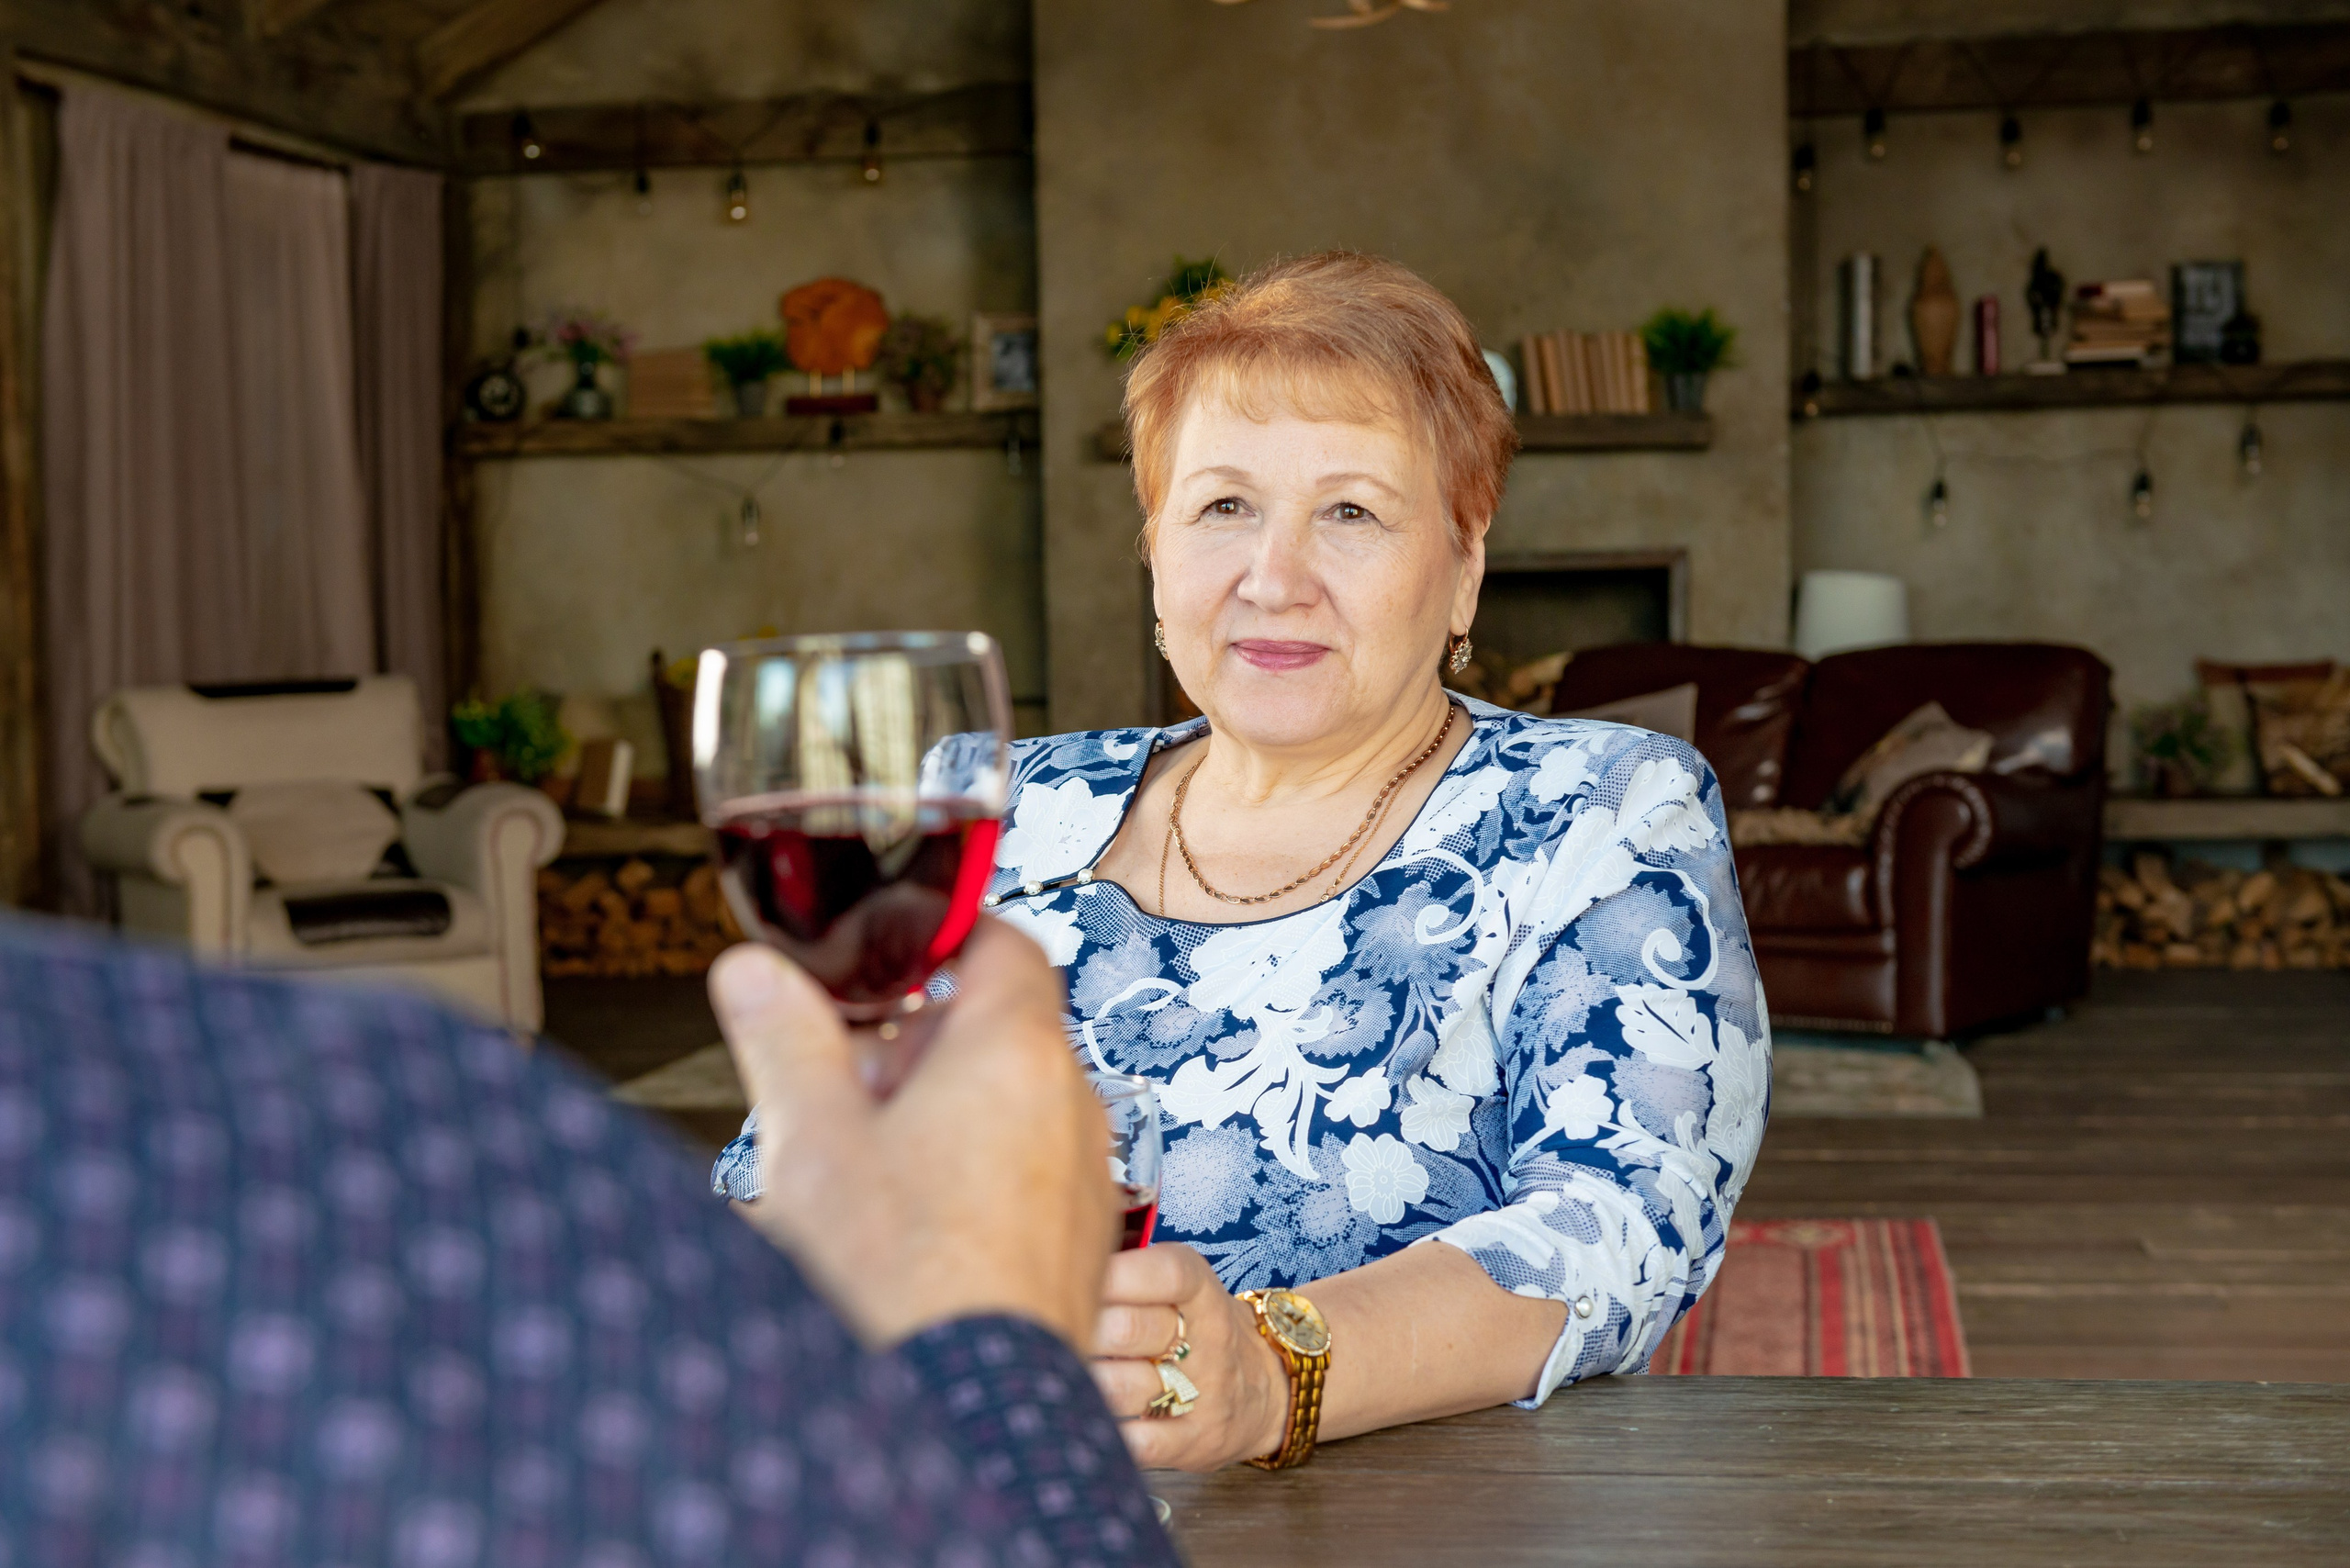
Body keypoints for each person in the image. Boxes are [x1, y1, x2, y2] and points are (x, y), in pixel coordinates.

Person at [722, 252, 1768, 1473]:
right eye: (1223, 507)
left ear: (1464, 563)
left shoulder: (1600, 809)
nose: (1274, 580)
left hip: (1401, 1523)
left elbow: (1621, 1226)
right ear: (1156, 551)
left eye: (1352, 513)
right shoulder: (990, 806)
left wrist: (1272, 1378)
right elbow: (784, 1172)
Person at [0, 913, 1177, 1565]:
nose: (1261, 578)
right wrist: (997, 1362)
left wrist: (1269, 1379)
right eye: (1211, 531)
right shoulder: (398, 1128)